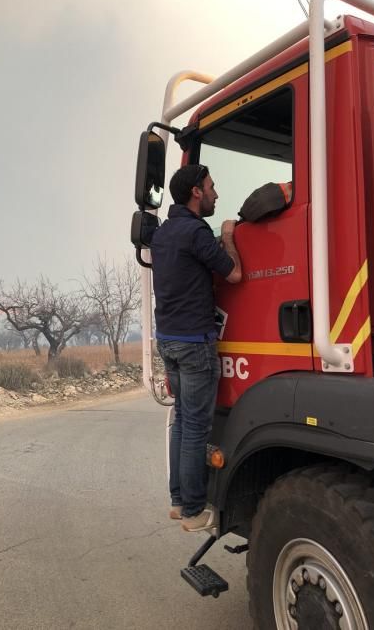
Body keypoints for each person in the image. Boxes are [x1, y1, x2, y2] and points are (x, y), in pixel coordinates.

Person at [150, 164, 242, 532]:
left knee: (182, 421)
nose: (216, 193)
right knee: (195, 428)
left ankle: (177, 501)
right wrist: (228, 236)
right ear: (196, 193)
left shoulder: (163, 233)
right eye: (212, 187)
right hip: (195, 345)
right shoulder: (196, 231)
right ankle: (192, 509)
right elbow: (234, 273)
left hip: (168, 341)